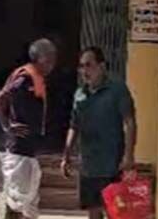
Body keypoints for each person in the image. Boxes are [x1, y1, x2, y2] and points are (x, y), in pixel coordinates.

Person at [62, 47, 137, 219]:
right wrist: (66, 155)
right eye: (81, 66)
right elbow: (74, 125)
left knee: (115, 212)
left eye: (89, 65)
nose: (84, 71)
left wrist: (129, 156)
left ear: (102, 67)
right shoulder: (80, 94)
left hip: (112, 164)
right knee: (93, 212)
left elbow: (129, 122)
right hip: (88, 165)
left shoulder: (117, 90)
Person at [0, 38, 58, 219]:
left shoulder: (36, 79)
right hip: (18, 149)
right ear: (38, 57)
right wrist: (7, 126)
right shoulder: (25, 78)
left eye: (54, 57)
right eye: (49, 57)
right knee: (18, 201)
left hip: (27, 150)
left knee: (28, 203)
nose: (53, 62)